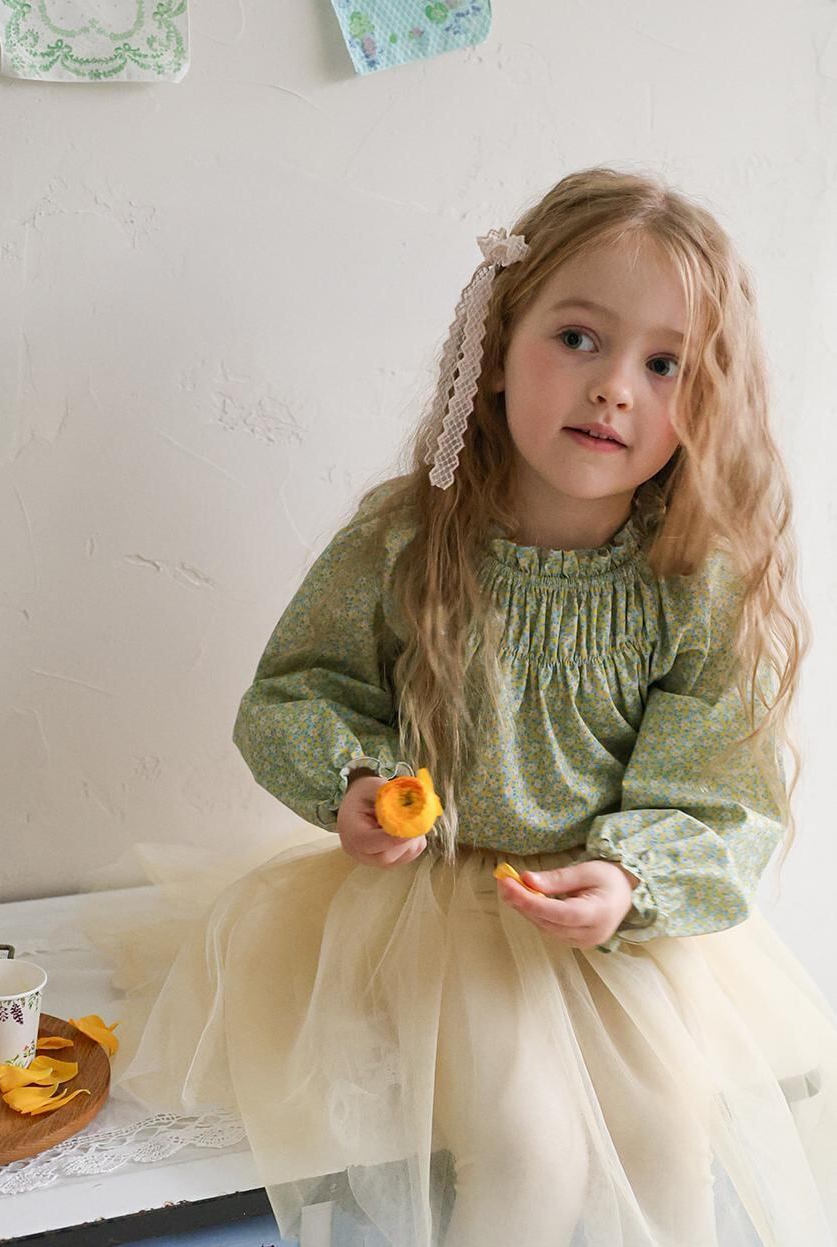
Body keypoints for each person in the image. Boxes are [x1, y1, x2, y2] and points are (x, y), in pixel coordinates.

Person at [79, 166, 837, 1246]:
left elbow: (718, 789)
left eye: (664, 363)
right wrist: (357, 783)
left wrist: (630, 878)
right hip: (441, 906)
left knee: (671, 1132)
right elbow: (297, 689)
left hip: (610, 927)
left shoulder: (692, 577)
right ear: (495, 342)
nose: (615, 387)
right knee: (528, 1147)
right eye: (578, 337)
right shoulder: (409, 537)